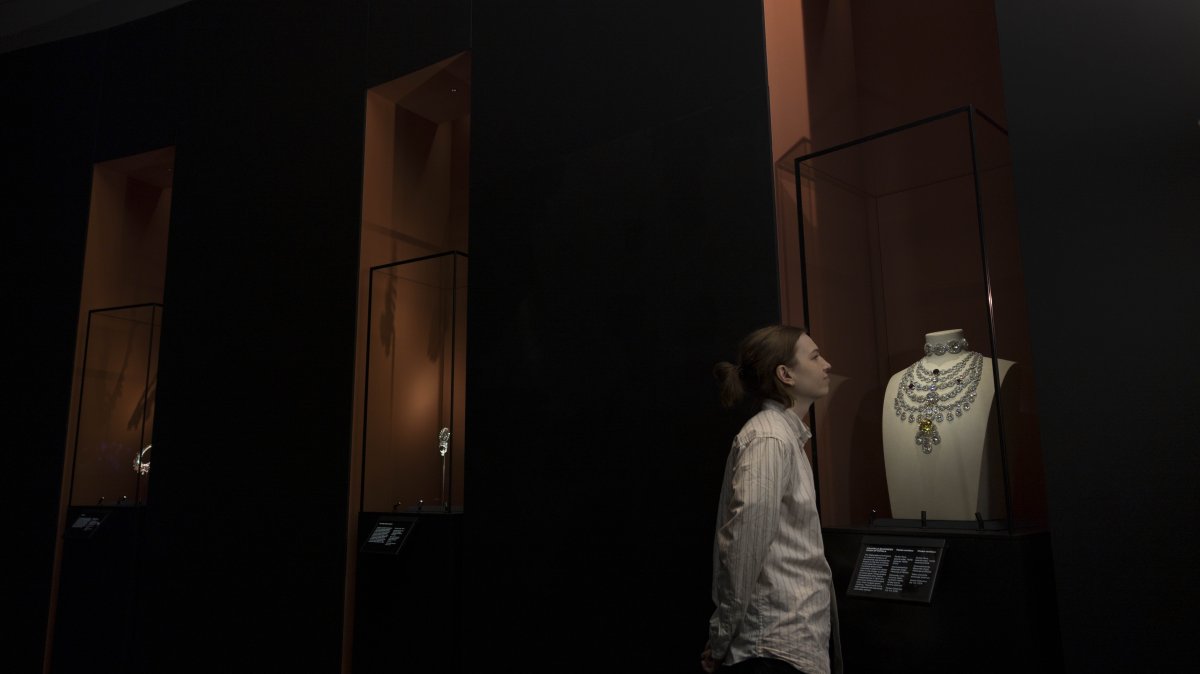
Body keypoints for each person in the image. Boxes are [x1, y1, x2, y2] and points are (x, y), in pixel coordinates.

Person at [702, 325, 842, 674]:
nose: (826, 364)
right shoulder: (769, 438)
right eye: (814, 356)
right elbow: (743, 548)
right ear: (785, 374)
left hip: (787, 644)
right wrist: (720, 641)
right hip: (772, 649)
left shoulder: (782, 437)